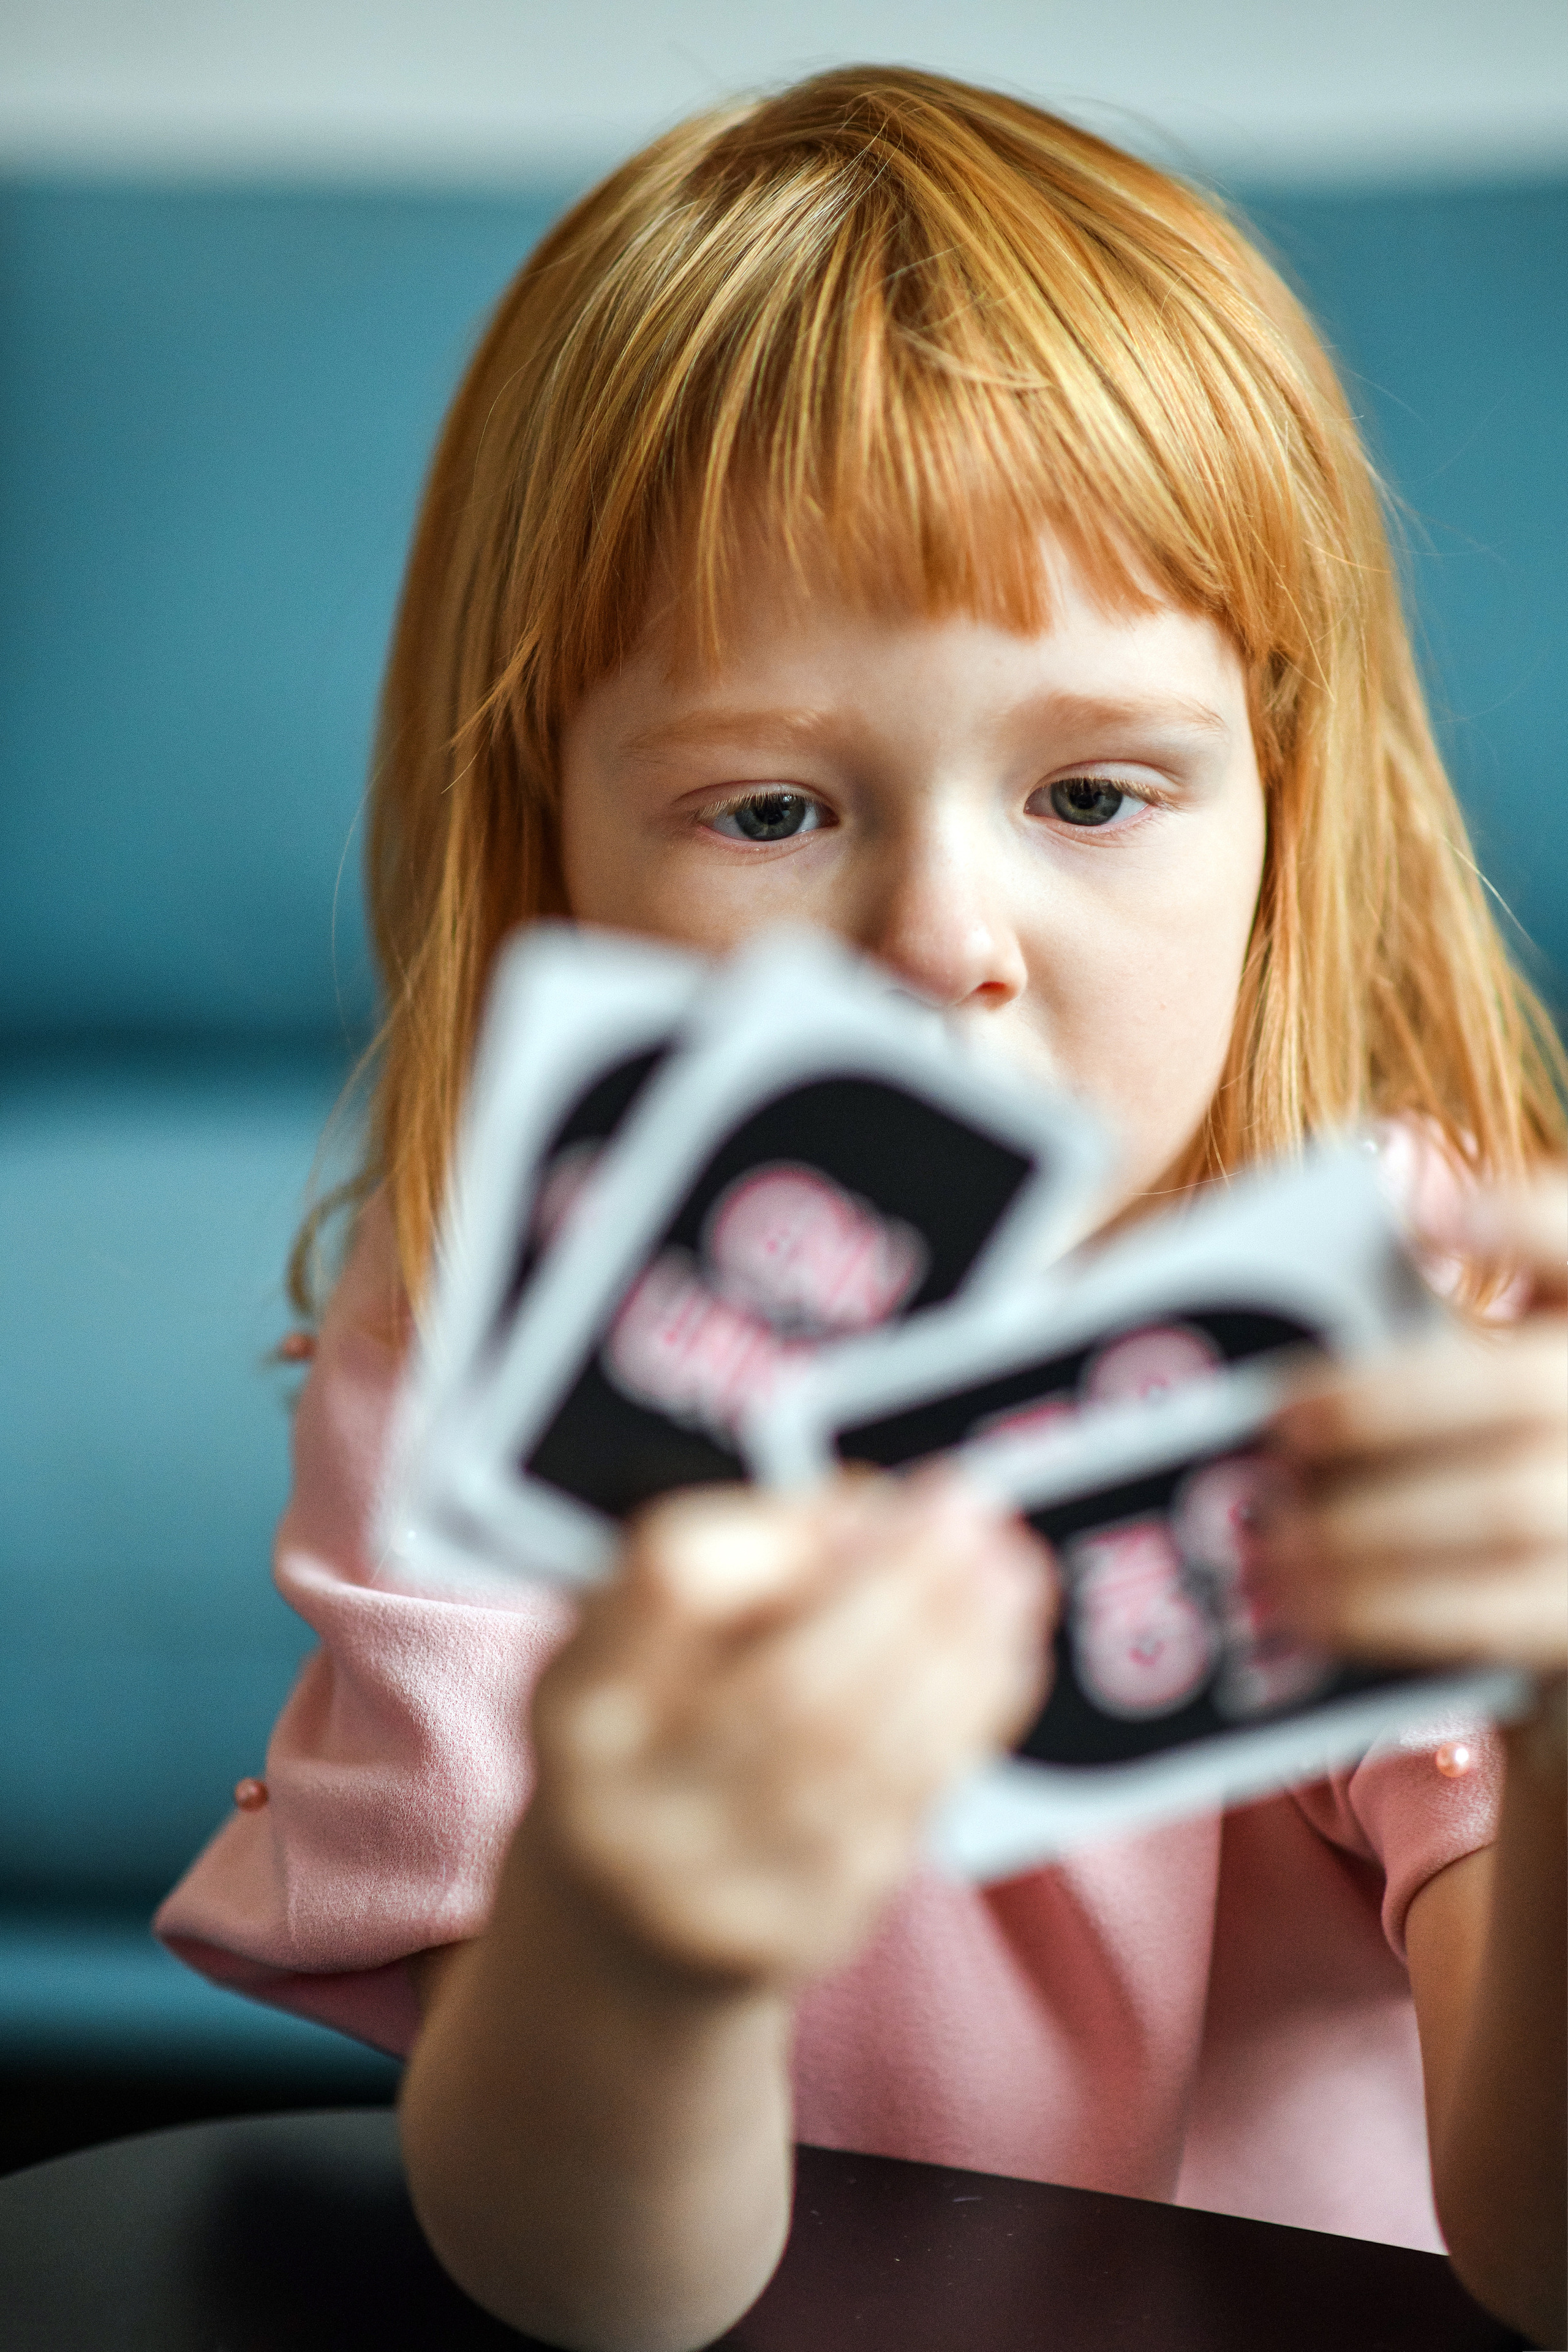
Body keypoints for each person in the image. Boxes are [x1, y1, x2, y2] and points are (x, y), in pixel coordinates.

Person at [155, 67, 1567, 2352]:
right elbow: (592, 2282)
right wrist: (636, 1938)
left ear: (1281, 821)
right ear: (561, 863)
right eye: (770, 810)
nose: (939, 937)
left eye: (1092, 791)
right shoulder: (523, 1351)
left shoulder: (1428, 1337)